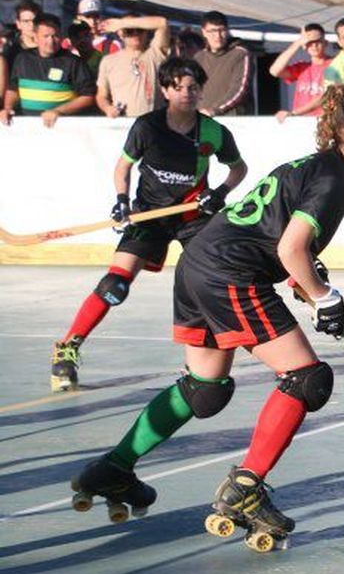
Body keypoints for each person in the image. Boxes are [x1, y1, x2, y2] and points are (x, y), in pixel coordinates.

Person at [68, 84, 344, 545]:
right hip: (230, 274)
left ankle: (112, 468)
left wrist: (307, 278)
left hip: (200, 262)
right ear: (342, 131)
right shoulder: (333, 182)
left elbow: (281, 242)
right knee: (307, 378)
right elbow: (291, 247)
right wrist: (324, 297)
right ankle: (245, 489)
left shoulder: (307, 167)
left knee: (204, 389)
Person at [48, 57, 249, 392]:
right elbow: (122, 168)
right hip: (148, 216)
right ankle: (68, 347)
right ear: (166, 89)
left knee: (212, 281)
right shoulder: (147, 127)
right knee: (115, 285)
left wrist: (220, 193)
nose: (187, 93)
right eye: (179, 87)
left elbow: (238, 169)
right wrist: (122, 201)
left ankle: (212, 359)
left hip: (192, 217)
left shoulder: (214, 131)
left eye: (193, 87)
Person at [1, 12, 96, 127]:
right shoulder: (22, 59)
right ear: (35, 37)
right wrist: (8, 108)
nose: (51, 41)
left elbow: (88, 97)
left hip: (63, 128)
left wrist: (59, 111)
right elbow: (13, 89)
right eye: (46, 36)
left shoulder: (74, 62)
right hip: (26, 129)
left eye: (55, 36)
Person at [94, 14, 172, 118]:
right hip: (124, 123)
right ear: (120, 34)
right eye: (129, 31)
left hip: (154, 122)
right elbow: (101, 95)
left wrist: (122, 23)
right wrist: (108, 108)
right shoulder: (108, 61)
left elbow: (163, 23)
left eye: (140, 30)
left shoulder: (155, 53)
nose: (136, 34)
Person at [269, 23, 334, 121]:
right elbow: (274, 71)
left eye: (318, 41)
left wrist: (294, 113)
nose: (314, 45)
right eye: (309, 42)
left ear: (325, 43)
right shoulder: (302, 67)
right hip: (301, 122)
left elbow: (325, 97)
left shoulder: (335, 65)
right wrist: (298, 43)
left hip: (325, 122)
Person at [194, 11, 253, 117]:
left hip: (231, 121)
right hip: (202, 121)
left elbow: (239, 90)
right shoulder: (199, 58)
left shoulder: (240, 54)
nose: (218, 36)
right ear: (204, 32)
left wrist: (215, 110)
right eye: (212, 31)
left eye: (222, 30)